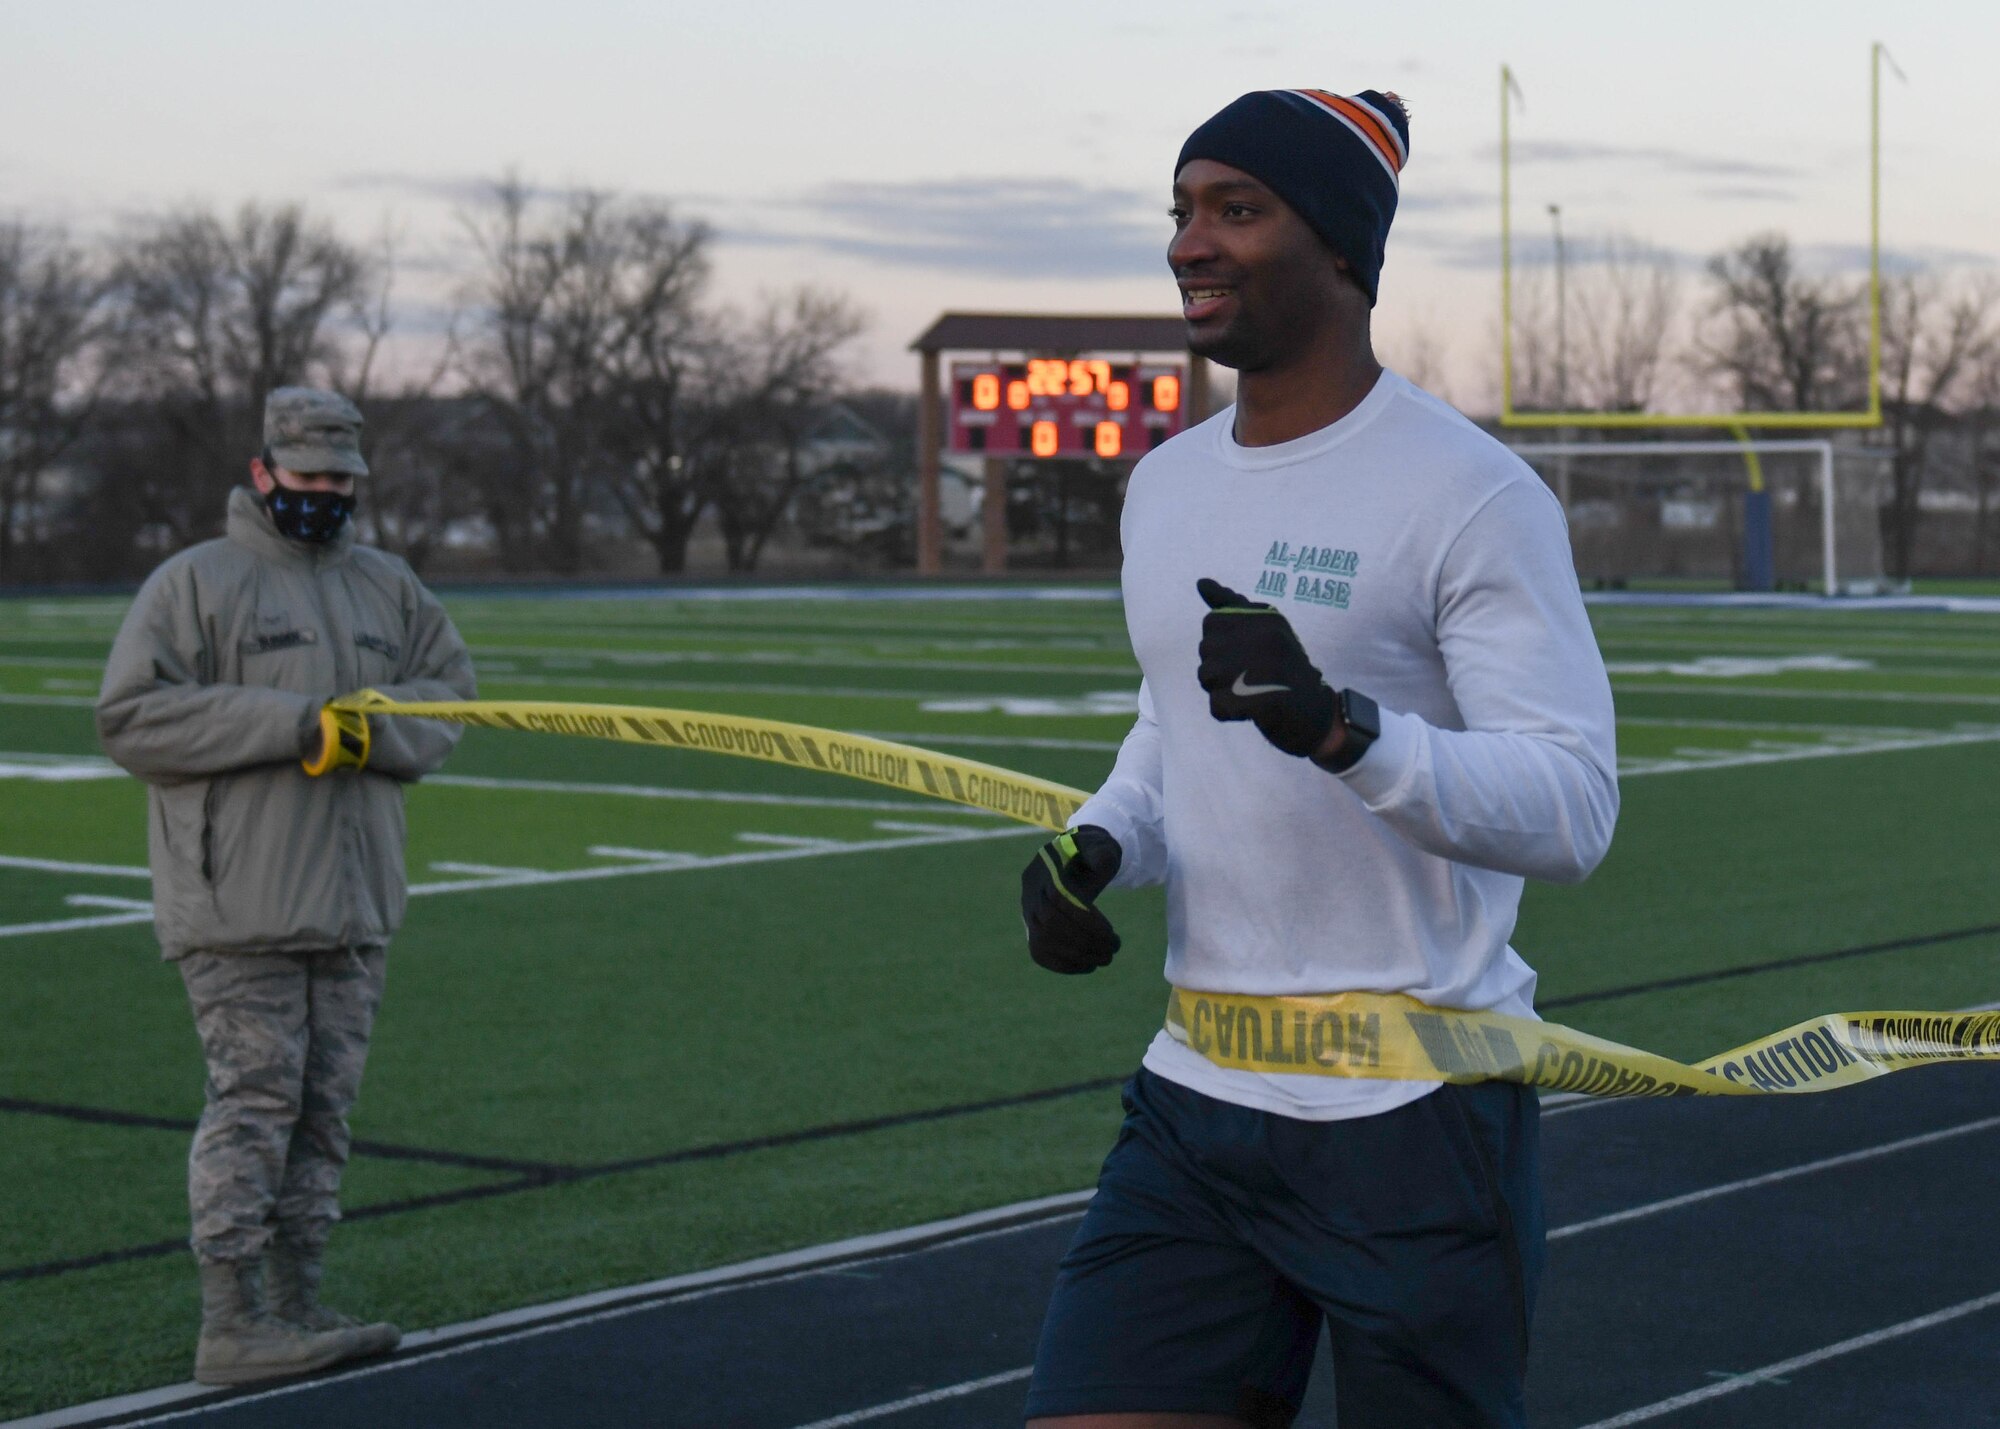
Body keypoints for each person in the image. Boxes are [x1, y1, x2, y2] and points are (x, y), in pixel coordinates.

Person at [1017, 90, 1619, 1429]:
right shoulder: (1166, 485)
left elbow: (1575, 810)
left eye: (1238, 209)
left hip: (1416, 1122)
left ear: (1343, 248)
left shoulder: (1469, 492)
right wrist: (1105, 841)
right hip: (1194, 1100)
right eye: (1182, 210)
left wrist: (1348, 733)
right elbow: (1173, 721)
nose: (1191, 242)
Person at [97, 386, 476, 1387]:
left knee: (323, 1113)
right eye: (308, 477)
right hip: (239, 906)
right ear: (264, 473)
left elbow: (453, 700)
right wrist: (298, 722)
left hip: (353, 905)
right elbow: (133, 719)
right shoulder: (195, 583)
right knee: (253, 1105)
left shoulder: (387, 584)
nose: (326, 494)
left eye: (342, 479)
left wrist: (375, 728)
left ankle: (300, 1305)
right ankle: (232, 1321)